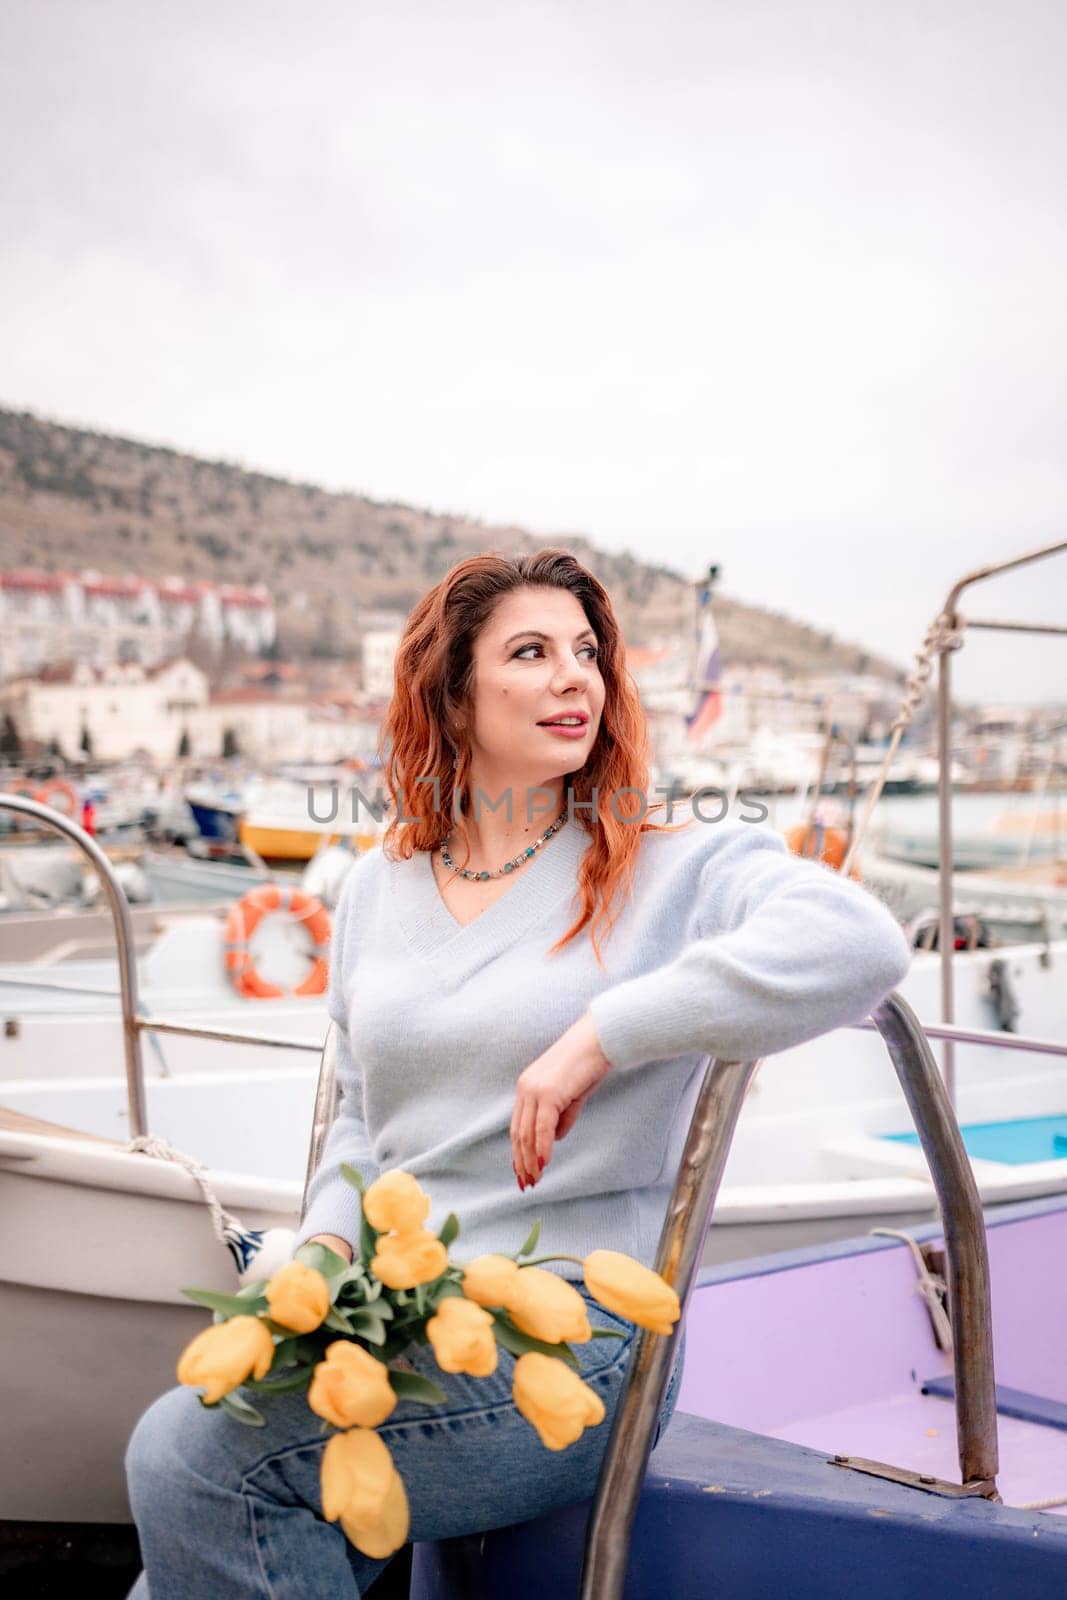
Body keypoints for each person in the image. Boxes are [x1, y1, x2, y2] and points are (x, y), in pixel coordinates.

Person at [123, 549, 912, 1598]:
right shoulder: (377, 884)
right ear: (451, 693)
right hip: (395, 1312)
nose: (572, 677)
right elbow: (364, 1119)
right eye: (530, 652)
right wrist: (320, 1242)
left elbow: (859, 942)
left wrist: (604, 1031)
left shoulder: (667, 864)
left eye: (585, 653)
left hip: (570, 1335)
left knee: (193, 1457)